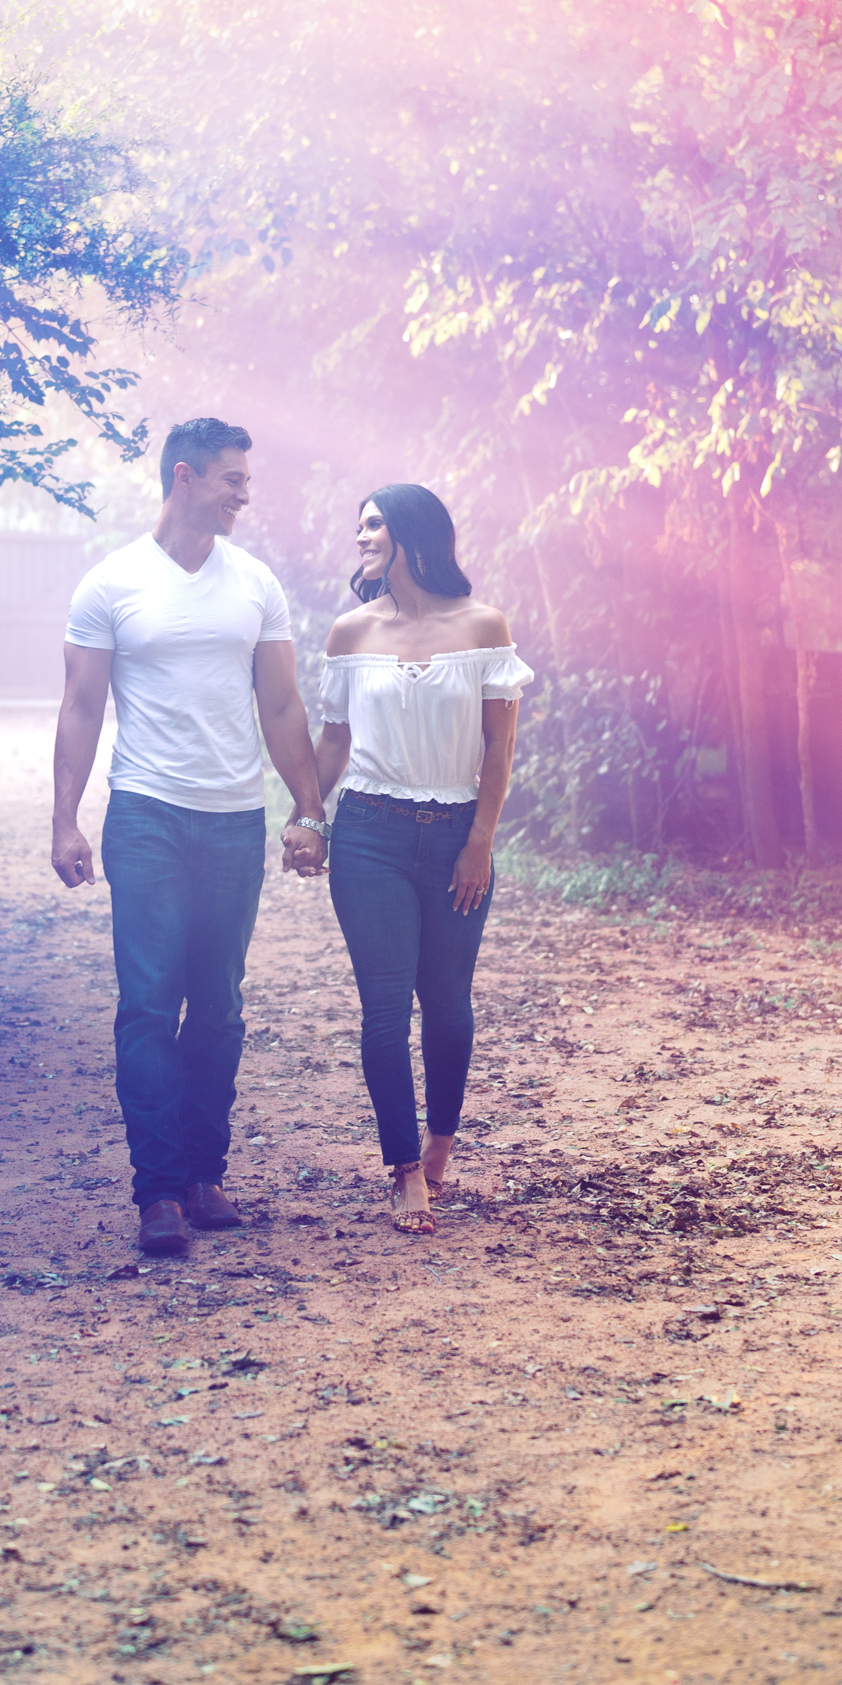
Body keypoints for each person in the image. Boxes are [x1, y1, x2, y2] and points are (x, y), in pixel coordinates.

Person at [51, 417, 330, 1259]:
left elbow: (281, 705)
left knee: (219, 1006)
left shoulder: (255, 584)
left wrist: (308, 808)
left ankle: (207, 1174)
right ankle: (159, 1191)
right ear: (185, 476)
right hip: (146, 816)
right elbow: (81, 706)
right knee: (146, 1004)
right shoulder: (111, 583)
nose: (245, 493)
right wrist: (65, 816)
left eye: (245, 480)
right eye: (232, 479)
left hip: (235, 820)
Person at [306, 484, 530, 1235]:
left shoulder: (483, 626)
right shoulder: (349, 631)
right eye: (359, 522)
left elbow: (499, 748)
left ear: (413, 534)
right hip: (368, 832)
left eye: (373, 523)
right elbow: (333, 742)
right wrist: (307, 815)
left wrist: (480, 842)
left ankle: (440, 1143)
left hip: (457, 832)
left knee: (448, 999)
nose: (361, 534)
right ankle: (403, 1167)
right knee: (382, 1006)